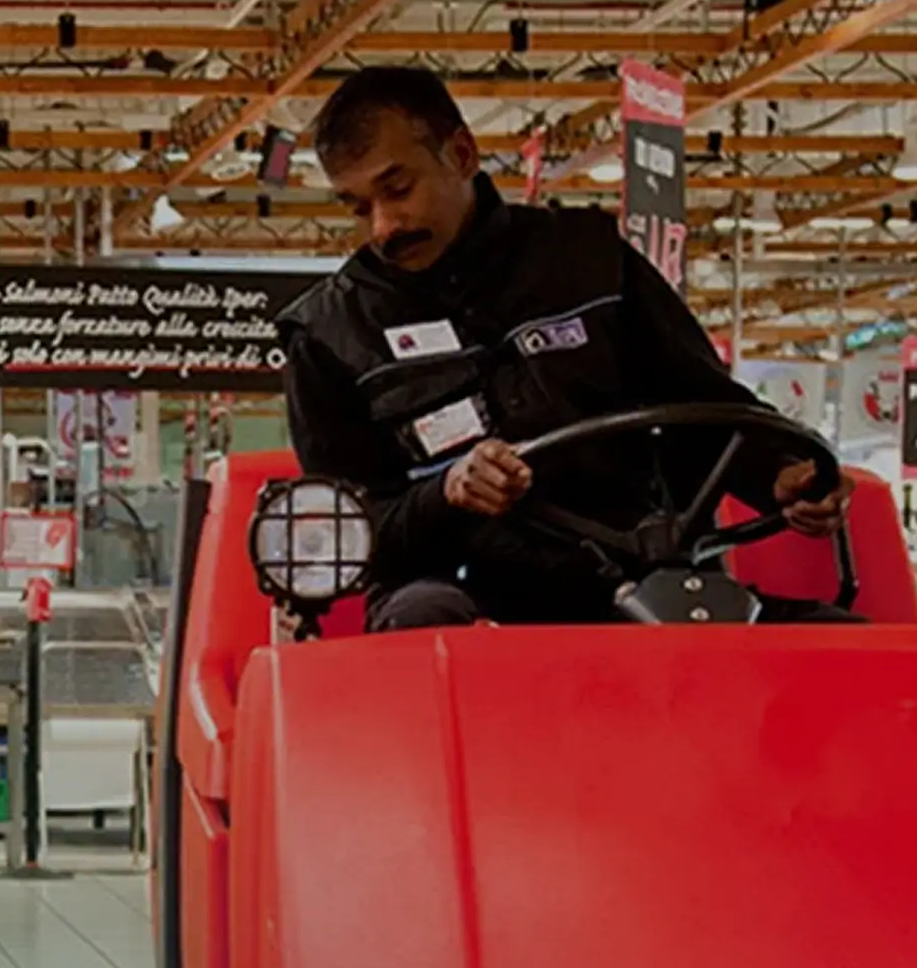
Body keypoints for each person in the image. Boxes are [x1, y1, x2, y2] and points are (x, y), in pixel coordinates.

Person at [277, 66, 846, 630]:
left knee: (845, 647)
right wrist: (443, 494)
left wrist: (778, 475)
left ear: (462, 155)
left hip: (644, 583)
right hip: (457, 598)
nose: (382, 226)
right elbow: (346, 535)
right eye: (357, 208)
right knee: (429, 618)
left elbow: (703, 407)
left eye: (398, 190)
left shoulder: (591, 262)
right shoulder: (330, 335)